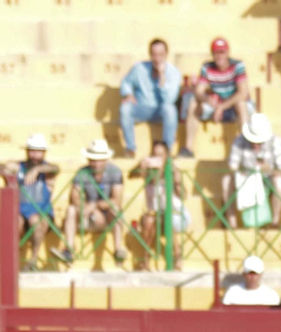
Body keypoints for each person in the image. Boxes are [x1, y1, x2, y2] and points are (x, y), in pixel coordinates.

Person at [0, 133, 60, 271]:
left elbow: (56, 168)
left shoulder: (47, 171)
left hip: (41, 213)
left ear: (44, 153)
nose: (35, 155)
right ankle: (10, 260)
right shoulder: (19, 167)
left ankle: (33, 260)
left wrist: (37, 169)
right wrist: (0, 170)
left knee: (35, 220)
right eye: (32, 151)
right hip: (20, 212)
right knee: (15, 221)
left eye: (38, 152)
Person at [53, 139, 127, 266]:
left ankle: (118, 249)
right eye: (93, 159)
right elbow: (74, 197)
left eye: (99, 160)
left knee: (115, 209)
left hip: (108, 215)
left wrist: (95, 206)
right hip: (89, 215)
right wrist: (84, 207)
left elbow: (117, 200)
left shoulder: (115, 172)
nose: (96, 163)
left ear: (106, 159)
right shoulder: (82, 172)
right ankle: (69, 250)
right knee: (71, 210)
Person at [181, 38, 253, 158]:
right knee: (194, 103)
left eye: (222, 52)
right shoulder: (207, 67)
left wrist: (221, 107)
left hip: (234, 106)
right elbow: (199, 91)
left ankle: (246, 148)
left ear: (227, 53)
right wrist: (206, 99)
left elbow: (243, 93)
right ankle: (188, 148)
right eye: (216, 53)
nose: (219, 56)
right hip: (216, 105)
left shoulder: (237, 66)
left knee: (240, 104)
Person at [223, 113, 281, 228]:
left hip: (268, 180)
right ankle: (232, 224)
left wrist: (269, 169)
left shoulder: (276, 141)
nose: (256, 145)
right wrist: (242, 173)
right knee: (226, 181)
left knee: (279, 182)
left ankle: (275, 222)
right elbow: (232, 167)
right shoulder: (239, 141)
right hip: (246, 180)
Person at [118, 39, 182, 157]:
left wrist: (162, 78)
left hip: (161, 110)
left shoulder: (173, 72)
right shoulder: (139, 68)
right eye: (154, 54)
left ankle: (166, 150)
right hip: (141, 107)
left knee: (170, 109)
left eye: (160, 55)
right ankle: (130, 148)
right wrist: (128, 94)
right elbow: (126, 82)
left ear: (166, 54)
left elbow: (170, 100)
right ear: (150, 55)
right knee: (125, 108)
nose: (157, 59)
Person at [134, 141, 190, 272]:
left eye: (161, 155)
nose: (158, 158)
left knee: (166, 217)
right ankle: (145, 260)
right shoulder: (148, 172)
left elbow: (183, 195)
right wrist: (141, 165)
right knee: (149, 220)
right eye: (155, 155)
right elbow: (131, 175)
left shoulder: (172, 171)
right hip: (154, 215)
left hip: (176, 213)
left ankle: (177, 256)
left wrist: (175, 180)